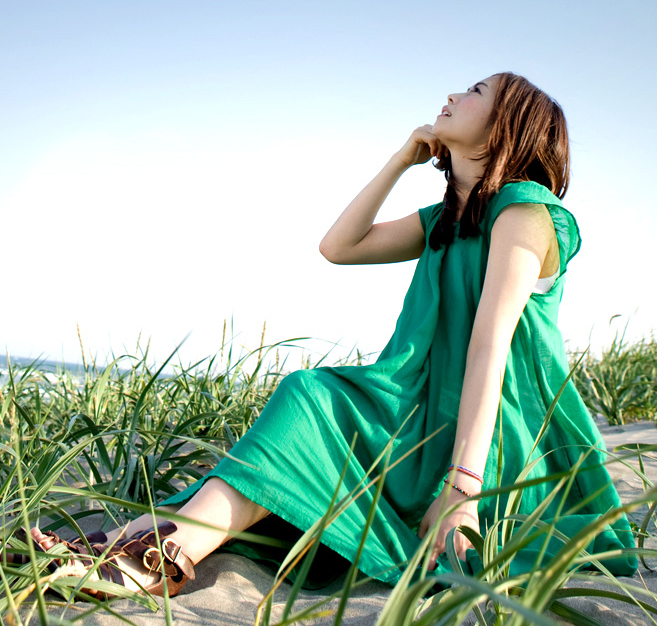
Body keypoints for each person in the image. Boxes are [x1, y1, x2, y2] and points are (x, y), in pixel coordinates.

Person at [28, 72, 637, 596]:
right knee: (299, 418)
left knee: (311, 401)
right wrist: (400, 159)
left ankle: (151, 559)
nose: (452, 95)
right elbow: (339, 246)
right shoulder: (446, 221)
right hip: (423, 418)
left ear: (509, 125)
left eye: (476, 91)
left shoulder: (527, 211)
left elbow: (490, 346)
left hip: (496, 440)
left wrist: (463, 490)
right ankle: (127, 546)